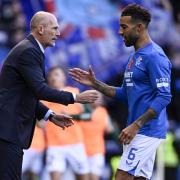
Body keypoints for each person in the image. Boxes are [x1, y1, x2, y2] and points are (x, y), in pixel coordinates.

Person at [69, 4, 172, 180]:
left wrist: (136, 125)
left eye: (124, 27)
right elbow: (124, 93)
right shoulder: (133, 58)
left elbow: (164, 96)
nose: (119, 32)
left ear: (139, 27)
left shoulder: (155, 56)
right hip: (136, 129)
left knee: (122, 175)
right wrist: (95, 83)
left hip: (147, 130)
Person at [0, 11, 98, 180]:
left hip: (9, 130)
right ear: (40, 29)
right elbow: (40, 90)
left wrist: (49, 115)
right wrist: (75, 98)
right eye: (54, 28)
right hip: (8, 130)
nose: (58, 33)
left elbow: (26, 94)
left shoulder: (31, 49)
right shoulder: (28, 51)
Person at [44, 67, 90, 180]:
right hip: (54, 145)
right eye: (51, 75)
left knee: (83, 177)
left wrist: (74, 117)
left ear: (64, 77)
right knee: (54, 177)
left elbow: (88, 116)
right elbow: (40, 123)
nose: (53, 77)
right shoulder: (44, 96)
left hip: (75, 143)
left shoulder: (74, 92)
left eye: (56, 74)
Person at [79, 94, 113, 180]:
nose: (99, 101)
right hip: (82, 150)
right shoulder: (82, 110)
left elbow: (109, 129)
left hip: (97, 150)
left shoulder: (102, 111)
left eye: (100, 99)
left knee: (94, 176)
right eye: (97, 98)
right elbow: (109, 129)